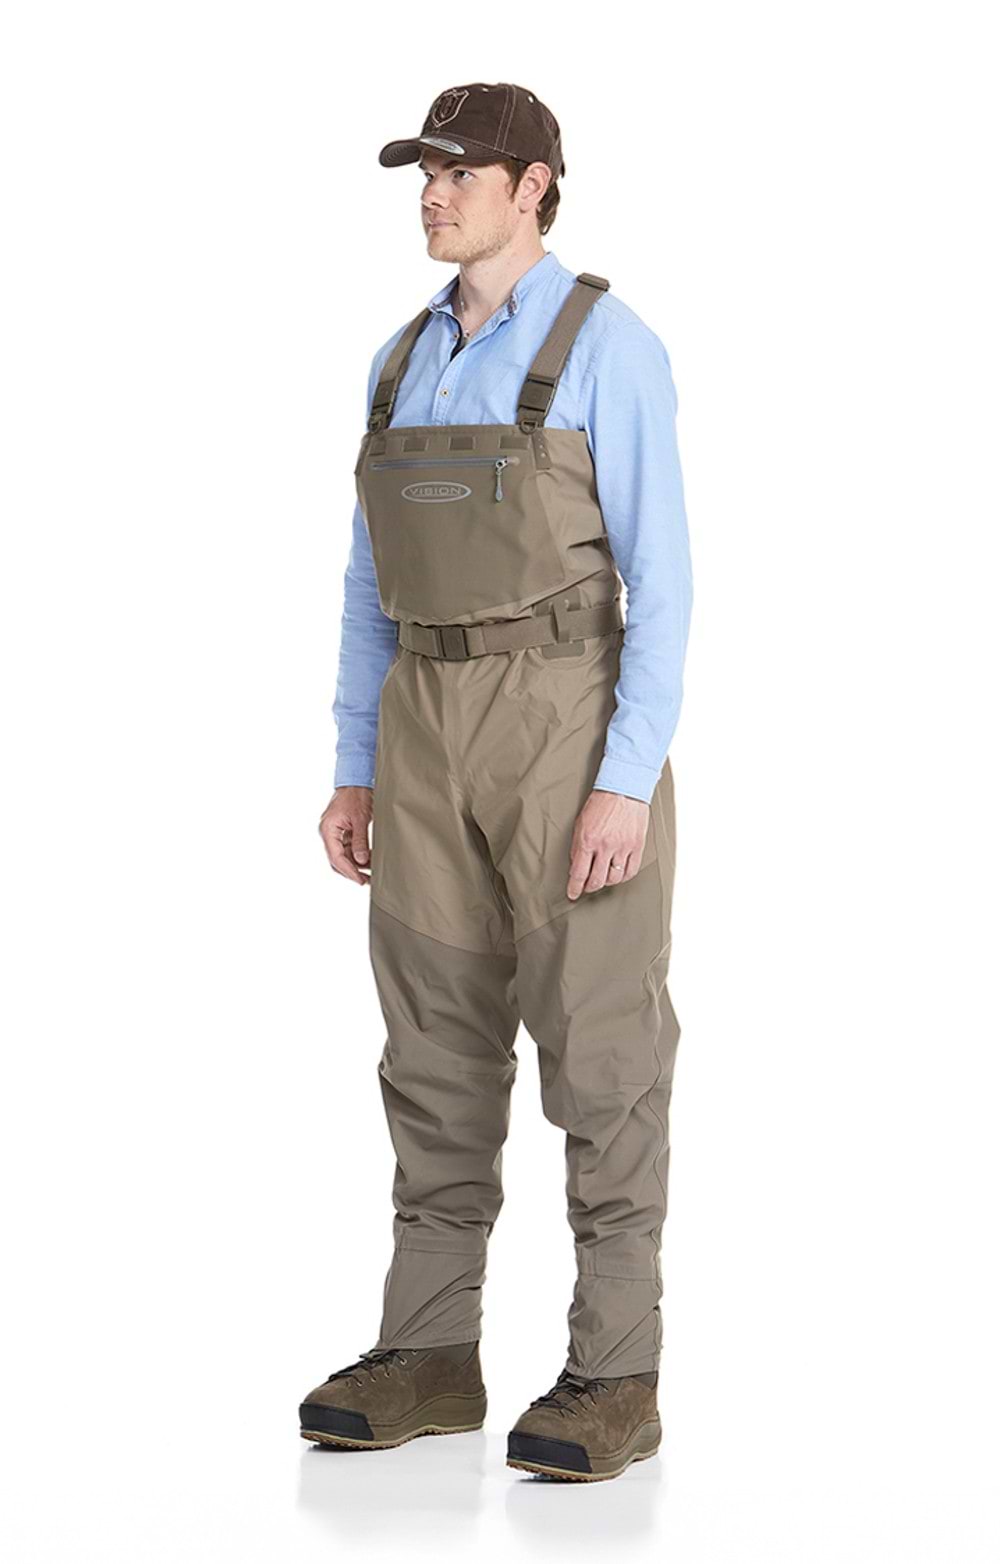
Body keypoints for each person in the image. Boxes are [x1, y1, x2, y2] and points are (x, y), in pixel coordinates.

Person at [299, 81, 693, 1483]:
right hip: (420, 728)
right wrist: (355, 764)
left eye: (461, 170)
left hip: (563, 719)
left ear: (534, 186)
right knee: (432, 1049)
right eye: (425, 168)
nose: (433, 191)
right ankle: (430, 1354)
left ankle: (614, 1374)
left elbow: (665, 583)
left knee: (602, 1046)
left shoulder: (608, 347)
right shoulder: (398, 360)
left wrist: (625, 781)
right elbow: (369, 586)